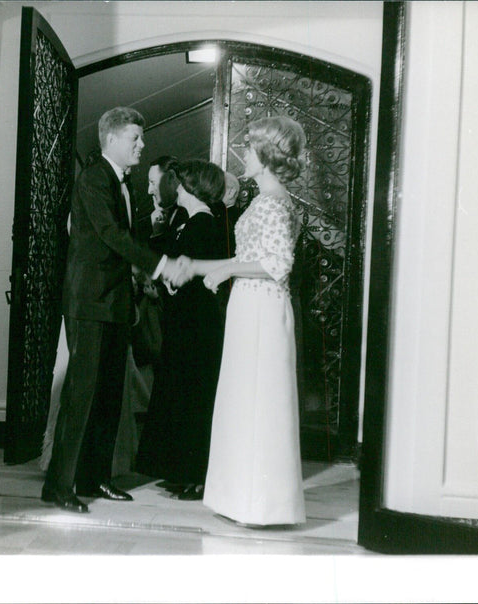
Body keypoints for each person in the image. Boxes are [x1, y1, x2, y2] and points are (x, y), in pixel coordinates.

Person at [41, 107, 189, 513]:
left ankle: (94, 478)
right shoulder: (93, 177)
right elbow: (110, 235)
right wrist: (161, 267)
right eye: (135, 139)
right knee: (82, 394)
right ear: (111, 140)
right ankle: (59, 485)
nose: (142, 145)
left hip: (114, 302)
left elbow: (124, 240)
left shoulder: (122, 183)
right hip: (90, 302)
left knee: (108, 396)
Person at [187, 116, 307, 525]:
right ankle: (242, 498)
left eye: (251, 148)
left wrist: (224, 271)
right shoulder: (264, 199)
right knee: (246, 399)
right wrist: (201, 265)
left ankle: (259, 503)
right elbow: (247, 258)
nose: (244, 154)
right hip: (250, 305)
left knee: (258, 400)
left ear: (268, 157)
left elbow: (277, 263)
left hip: (261, 308)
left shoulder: (273, 202)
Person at [135, 160, 227, 501]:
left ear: (190, 187)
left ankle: (195, 475)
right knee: (180, 394)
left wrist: (173, 283)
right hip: (185, 322)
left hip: (196, 324)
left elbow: (195, 270)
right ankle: (180, 471)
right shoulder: (191, 222)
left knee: (192, 397)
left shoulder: (203, 222)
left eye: (180, 183)